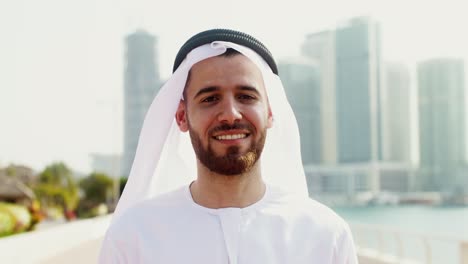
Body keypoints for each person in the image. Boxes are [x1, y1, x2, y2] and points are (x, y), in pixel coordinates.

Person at [99, 29, 358, 264]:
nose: (231, 114)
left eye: (246, 96)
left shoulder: (325, 236)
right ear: (181, 116)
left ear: (270, 113)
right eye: (210, 99)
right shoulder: (133, 238)